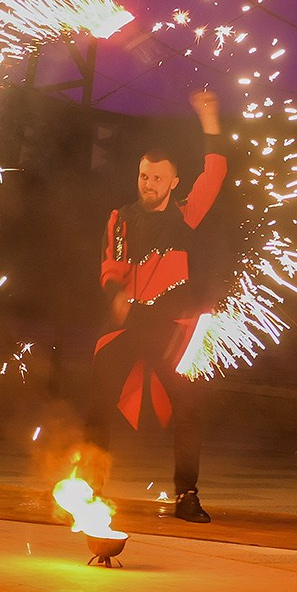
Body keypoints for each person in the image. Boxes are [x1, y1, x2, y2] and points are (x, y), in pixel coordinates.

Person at [87, 89, 226, 522]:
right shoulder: (121, 217)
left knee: (188, 408)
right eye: (143, 176)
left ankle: (186, 496)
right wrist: (118, 294)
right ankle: (89, 489)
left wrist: (208, 118)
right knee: (96, 401)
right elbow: (111, 264)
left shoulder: (186, 215)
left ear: (174, 183)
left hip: (172, 325)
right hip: (131, 321)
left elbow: (216, 171)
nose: (148, 184)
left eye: (157, 178)